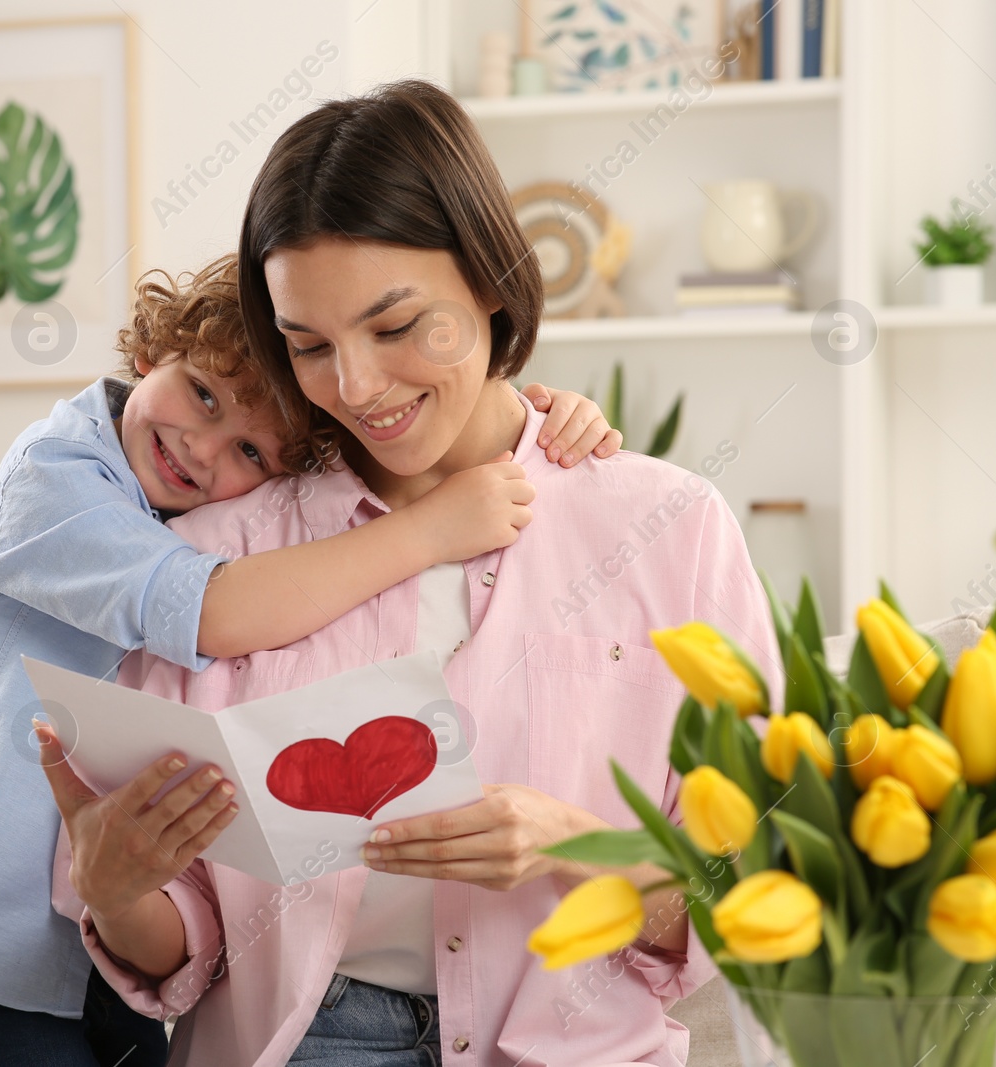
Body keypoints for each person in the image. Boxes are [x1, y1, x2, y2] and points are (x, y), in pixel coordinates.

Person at [43, 80, 782, 1067]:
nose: (355, 386)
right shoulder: (218, 565)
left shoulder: (668, 528)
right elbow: (186, 942)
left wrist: (576, 844)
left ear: (488, 276)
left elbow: (751, 896)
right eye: (308, 345)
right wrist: (116, 884)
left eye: (395, 328)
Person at [0, 253, 618, 1067]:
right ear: (152, 350)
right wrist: (432, 530)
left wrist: (534, 419)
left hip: (101, 931)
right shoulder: (51, 480)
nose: (202, 448)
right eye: (202, 393)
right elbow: (220, 612)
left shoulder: (193, 521)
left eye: (252, 454)